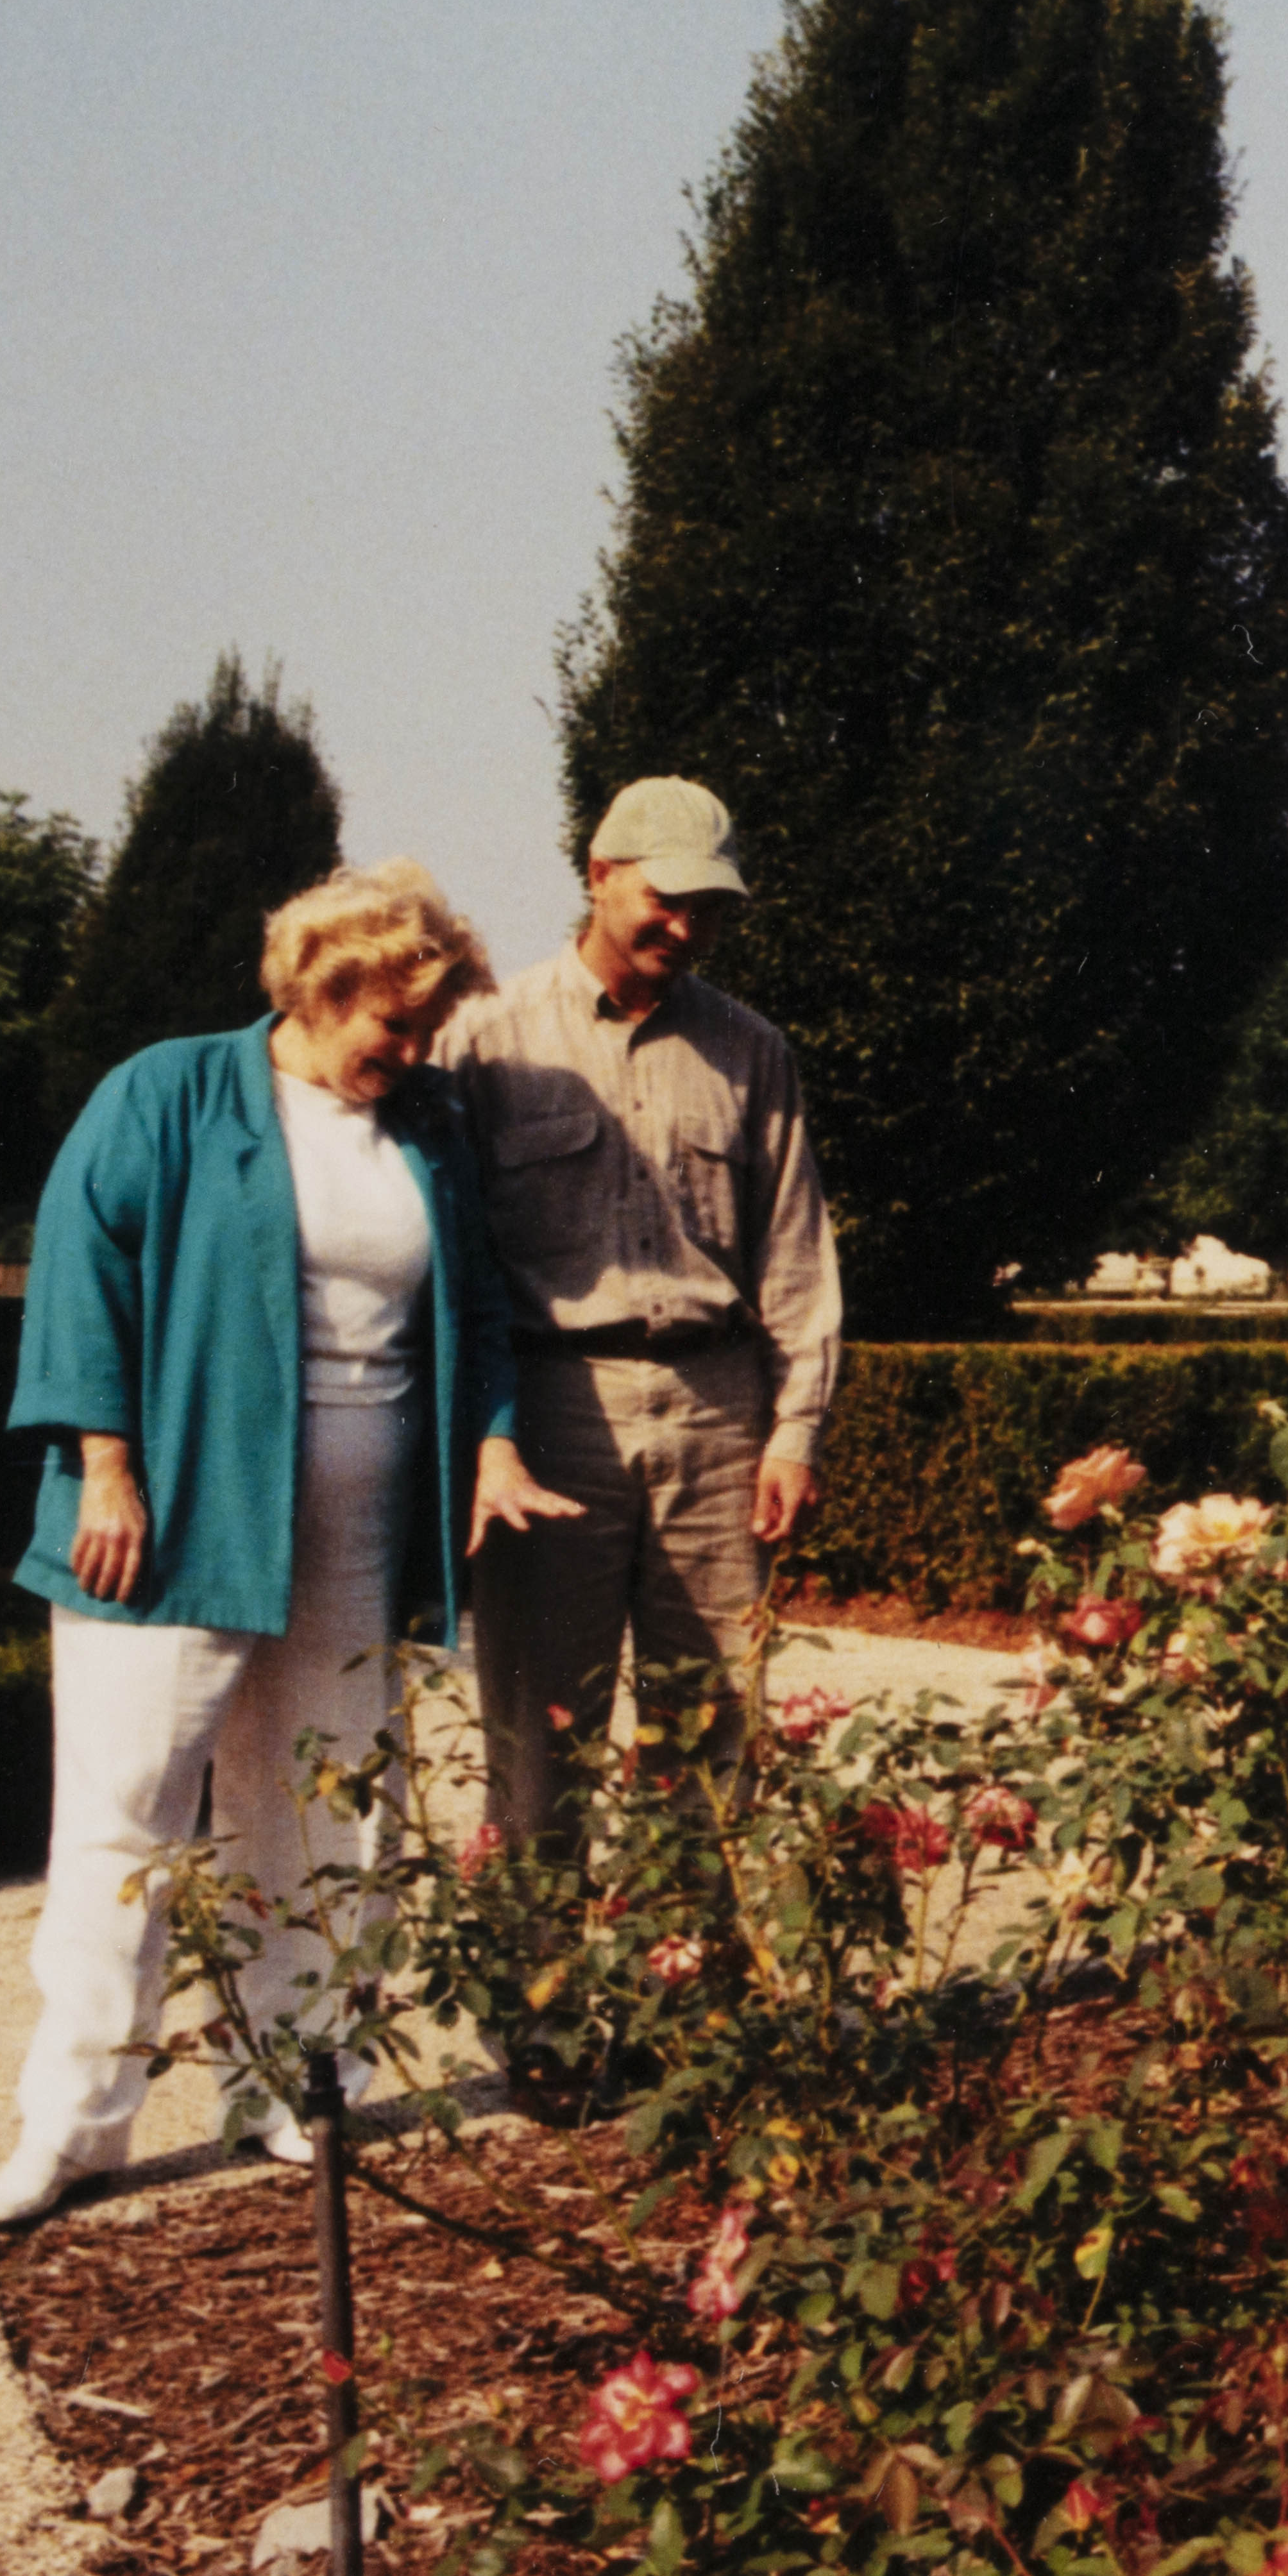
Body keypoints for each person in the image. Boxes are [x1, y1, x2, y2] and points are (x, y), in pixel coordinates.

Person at [0, 861, 581, 2230]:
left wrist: (491, 1444)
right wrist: (106, 1468)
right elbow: (82, 1270)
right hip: (174, 1517)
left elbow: (476, 1309)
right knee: (126, 1815)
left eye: (428, 1028)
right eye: (394, 1025)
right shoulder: (170, 1089)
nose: (413, 1052)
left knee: (321, 1809)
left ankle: (295, 2086)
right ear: (321, 986)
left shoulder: (428, 1125)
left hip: (359, 1527)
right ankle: (75, 2127)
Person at [442, 776, 842, 1870]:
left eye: (709, 908)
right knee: (539, 1735)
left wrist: (796, 1430)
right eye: (666, 900)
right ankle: (538, 1980)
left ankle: (694, 1972)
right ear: (598, 876)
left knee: (712, 1733)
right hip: (551, 1416)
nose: (687, 928)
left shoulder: (752, 1050)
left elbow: (795, 1251)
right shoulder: (485, 1038)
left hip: (718, 1420)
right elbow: (451, 1260)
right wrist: (481, 1434)